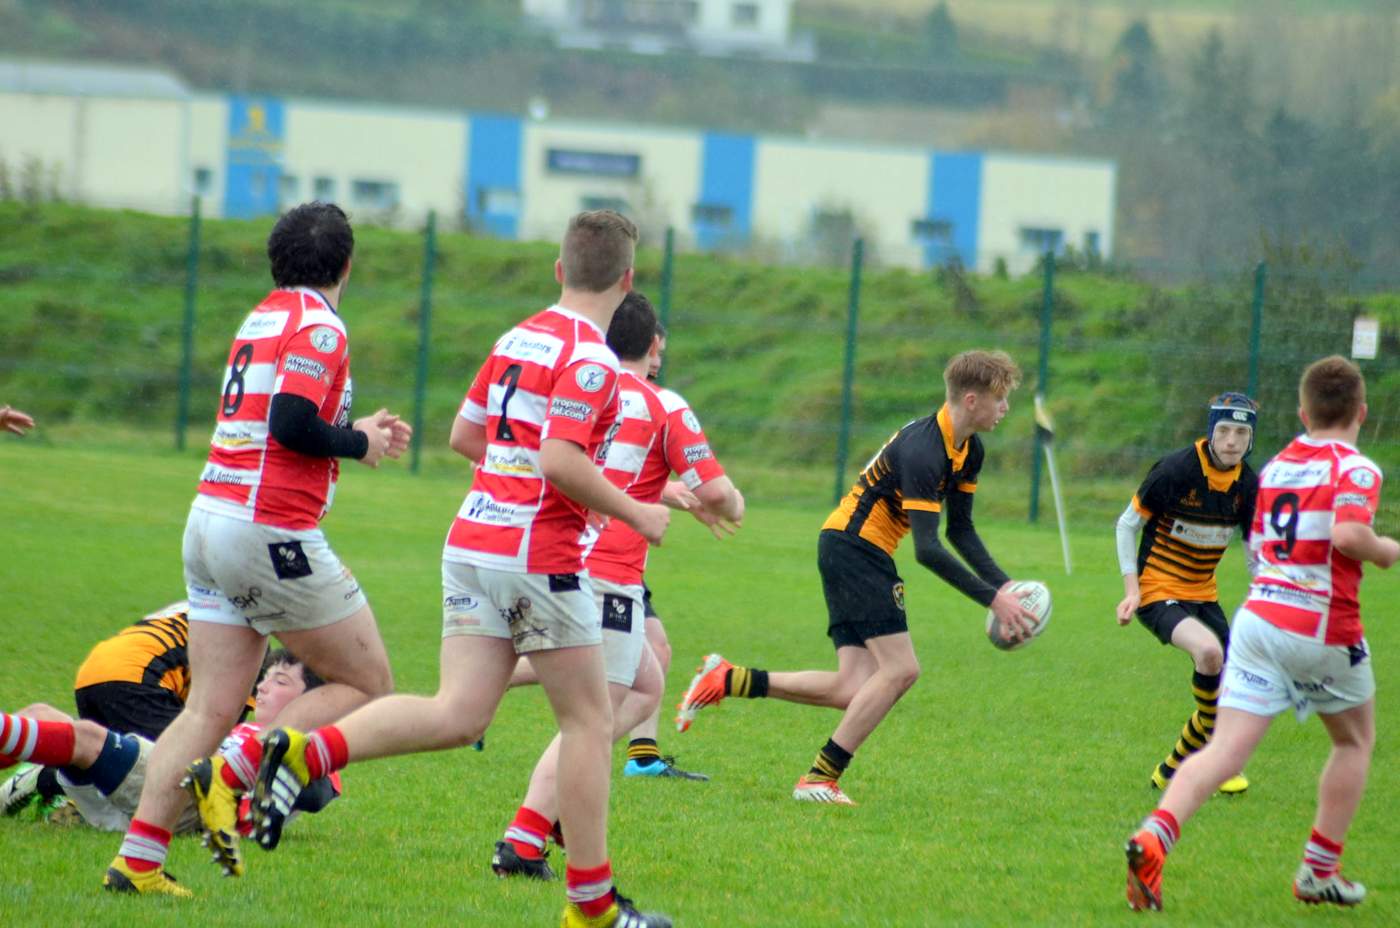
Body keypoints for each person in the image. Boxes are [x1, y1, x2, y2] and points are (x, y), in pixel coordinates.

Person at [252, 210, 674, 928]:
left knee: (458, 713)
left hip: (473, 541)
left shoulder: (516, 336)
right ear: (627, 280)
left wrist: (514, 480)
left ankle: (306, 752)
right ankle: (593, 905)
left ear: (559, 270)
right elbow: (560, 459)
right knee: (589, 720)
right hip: (538, 554)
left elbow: (465, 435)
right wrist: (636, 512)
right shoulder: (593, 358)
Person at [100, 201, 411, 897]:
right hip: (265, 528)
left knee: (208, 709)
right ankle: (232, 773)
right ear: (347, 265)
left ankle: (137, 863)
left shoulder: (263, 316)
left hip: (210, 519)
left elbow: (283, 416)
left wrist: (354, 431)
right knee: (368, 684)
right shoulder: (320, 325)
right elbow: (291, 421)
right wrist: (358, 441)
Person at [675, 349, 1037, 804]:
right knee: (901, 670)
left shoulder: (969, 450)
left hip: (849, 546)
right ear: (971, 400)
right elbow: (928, 549)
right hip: (855, 547)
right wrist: (993, 600)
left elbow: (960, 530)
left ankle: (729, 678)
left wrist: (1005, 586)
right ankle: (819, 778)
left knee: (853, 687)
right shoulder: (924, 449)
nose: (1005, 408)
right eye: (1000, 399)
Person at [1125, 355, 1397, 912]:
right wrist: (1387, 550)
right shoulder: (1357, 469)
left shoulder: (1275, 470)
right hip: (1320, 622)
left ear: (1303, 414)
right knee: (1354, 742)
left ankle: (1154, 835)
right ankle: (1318, 871)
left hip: (1259, 620)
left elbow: (1262, 548)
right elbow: (1349, 535)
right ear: (1362, 414)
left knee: (1225, 750)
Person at [492, 292, 743, 880]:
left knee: (647, 683)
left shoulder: (580, 383)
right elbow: (715, 490)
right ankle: (524, 838)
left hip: (548, 552)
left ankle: (554, 809)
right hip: (605, 574)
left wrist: (658, 492)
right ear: (653, 345)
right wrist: (734, 503)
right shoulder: (663, 403)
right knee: (592, 718)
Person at [1, 650, 336, 838]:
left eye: (280, 682)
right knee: (42, 715)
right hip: (151, 795)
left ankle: (42, 778)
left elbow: (318, 792)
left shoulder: (307, 744)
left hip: (184, 804)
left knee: (86, 738)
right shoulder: (242, 730)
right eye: (266, 678)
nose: (262, 687)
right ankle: (45, 779)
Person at [1115, 393, 1260, 795]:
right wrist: (1131, 591)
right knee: (1209, 653)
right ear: (1211, 431)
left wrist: (1268, 600)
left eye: (1241, 433)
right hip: (1156, 589)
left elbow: (1255, 553)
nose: (1231, 440)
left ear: (1251, 438)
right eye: (1224, 430)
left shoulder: (1249, 485)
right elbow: (1127, 525)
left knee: (1232, 686)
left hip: (1203, 594)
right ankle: (1222, 761)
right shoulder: (1176, 470)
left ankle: (1172, 768)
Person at [622, 322, 738, 782]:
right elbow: (600, 473)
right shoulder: (646, 401)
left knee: (654, 650)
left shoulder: (598, 390)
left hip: (616, 557)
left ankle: (642, 756)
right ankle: (484, 692)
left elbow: (609, 472)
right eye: (658, 353)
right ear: (648, 345)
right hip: (601, 558)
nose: (659, 363)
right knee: (583, 663)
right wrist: (724, 501)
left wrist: (673, 495)